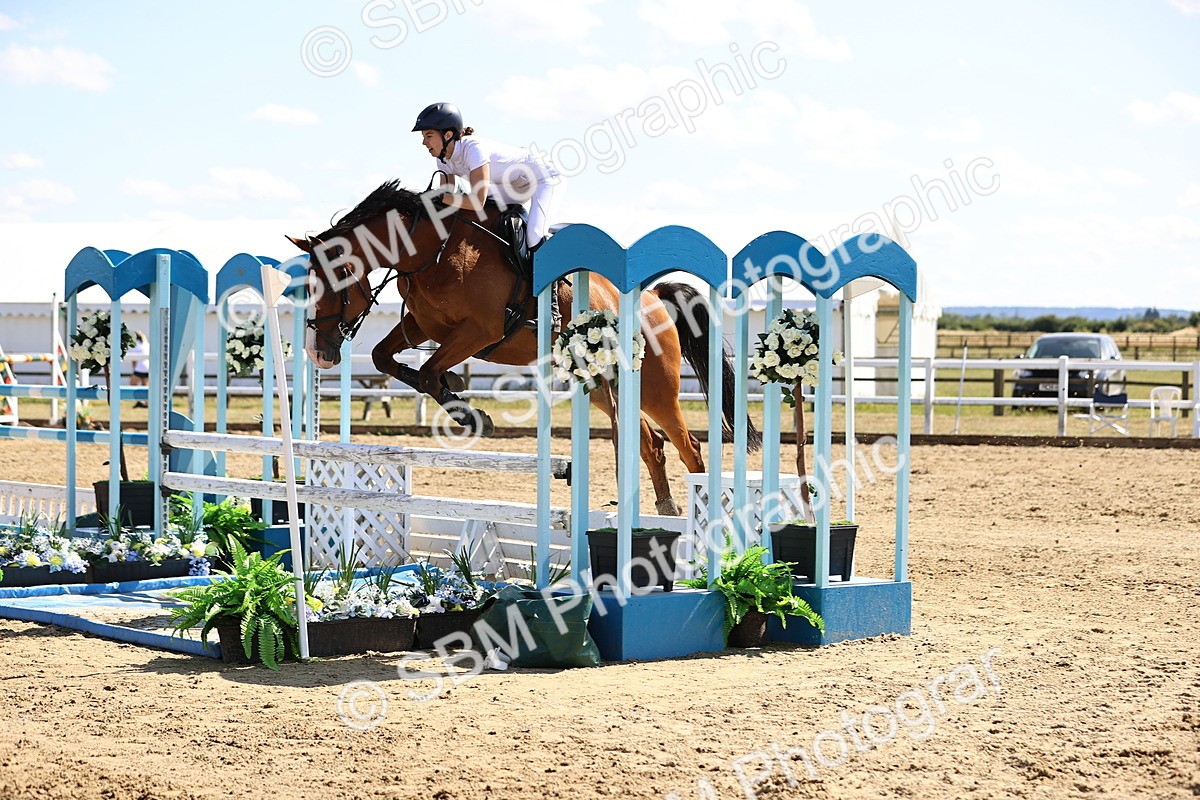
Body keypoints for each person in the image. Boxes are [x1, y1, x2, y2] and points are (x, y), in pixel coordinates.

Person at [412, 102, 563, 251]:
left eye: (428, 135)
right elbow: (447, 202)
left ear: (448, 135)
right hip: (511, 186)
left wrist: (438, 197)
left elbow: (477, 201)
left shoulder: (473, 149)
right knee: (481, 215)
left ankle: (558, 243)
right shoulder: (443, 161)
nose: (424, 142)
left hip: (544, 178)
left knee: (534, 236)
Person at [128, 331, 150, 408]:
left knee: (132, 384)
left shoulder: (136, 344)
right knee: (145, 386)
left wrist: (134, 366)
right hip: (148, 367)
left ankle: (139, 400)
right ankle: (145, 402)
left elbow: (133, 359)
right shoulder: (146, 344)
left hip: (140, 368)